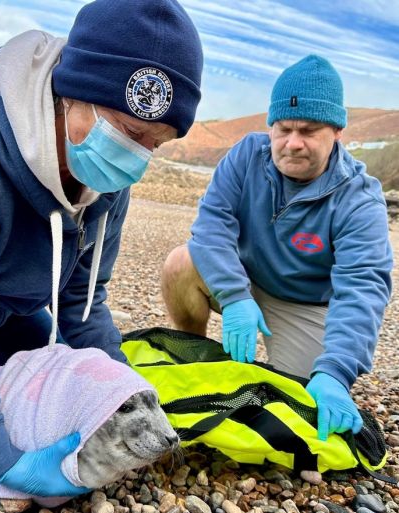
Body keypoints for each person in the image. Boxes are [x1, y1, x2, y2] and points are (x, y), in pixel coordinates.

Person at [0, 0, 203, 497]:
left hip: (9, 315)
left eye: (156, 144)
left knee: (89, 381)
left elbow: (84, 308)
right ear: (72, 92)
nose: (136, 159)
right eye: (129, 134)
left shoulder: (108, 181)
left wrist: (131, 395)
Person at [161, 54, 393, 443]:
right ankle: (195, 352)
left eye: (309, 130)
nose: (293, 143)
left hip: (304, 304)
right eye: (284, 128)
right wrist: (234, 296)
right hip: (245, 283)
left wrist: (336, 370)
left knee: (301, 405)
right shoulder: (246, 155)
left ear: (337, 131)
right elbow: (212, 225)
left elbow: (363, 287)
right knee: (181, 263)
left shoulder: (360, 199)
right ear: (271, 125)